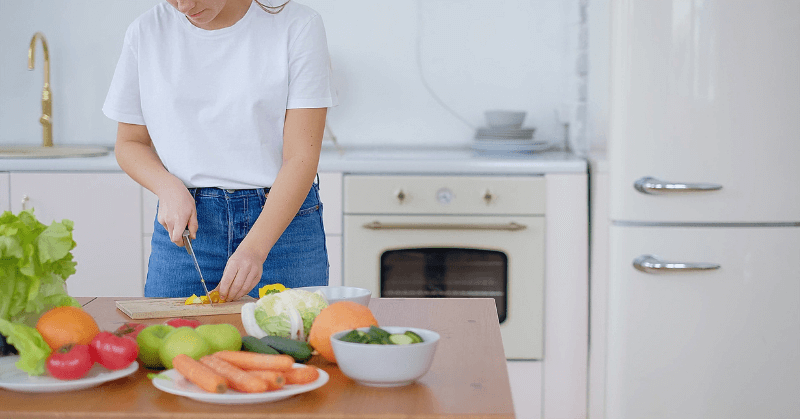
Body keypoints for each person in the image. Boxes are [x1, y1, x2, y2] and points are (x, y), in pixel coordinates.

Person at [102, 0, 337, 301]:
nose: (185, 6)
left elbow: (301, 157)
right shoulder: (146, 31)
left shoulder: (298, 25)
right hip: (188, 233)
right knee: (168, 345)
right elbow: (130, 142)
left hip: (282, 226)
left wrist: (254, 249)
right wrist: (168, 187)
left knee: (290, 346)